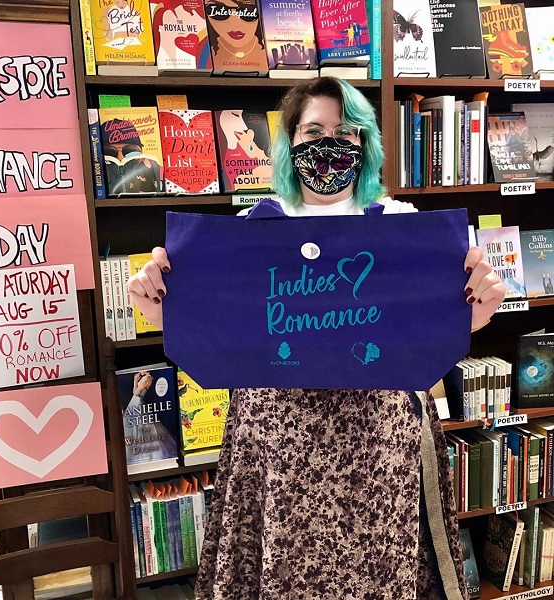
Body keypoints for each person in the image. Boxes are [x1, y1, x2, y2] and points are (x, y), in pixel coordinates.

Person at [127, 77, 506, 599]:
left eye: (347, 132)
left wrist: (478, 311)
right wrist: (158, 304)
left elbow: (439, 329)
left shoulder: (406, 229)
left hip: (378, 446)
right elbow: (214, 331)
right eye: (314, 130)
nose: (331, 143)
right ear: (290, 142)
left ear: (365, 145)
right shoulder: (248, 230)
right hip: (278, 447)